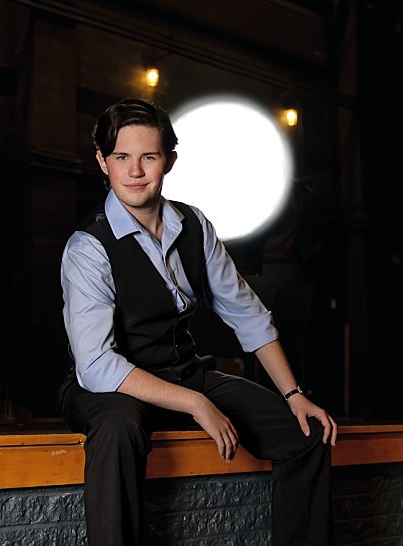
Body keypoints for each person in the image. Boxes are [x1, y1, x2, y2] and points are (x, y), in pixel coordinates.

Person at [58, 99, 337, 545]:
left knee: (309, 434)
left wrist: (294, 394)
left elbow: (247, 313)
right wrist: (196, 403)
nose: (135, 171)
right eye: (121, 157)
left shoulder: (194, 225)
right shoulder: (87, 247)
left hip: (186, 372)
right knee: (117, 430)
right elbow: (96, 366)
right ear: (102, 162)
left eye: (148, 157)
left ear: (169, 161)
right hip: (110, 386)